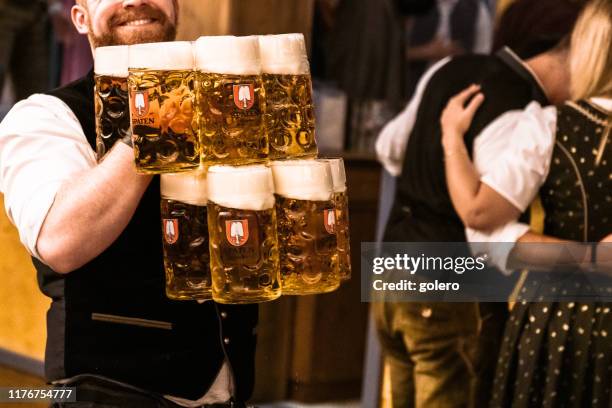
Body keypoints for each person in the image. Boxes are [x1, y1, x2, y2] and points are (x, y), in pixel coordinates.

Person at [0, 1, 256, 407]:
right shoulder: (44, 117)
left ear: (175, 9)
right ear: (80, 17)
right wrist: (157, 116)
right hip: (109, 395)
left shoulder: (219, 111)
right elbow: (60, 241)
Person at [373, 1, 583, 406]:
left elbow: (389, 147)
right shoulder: (521, 107)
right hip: (448, 289)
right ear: (570, 49)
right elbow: (486, 225)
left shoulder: (449, 69)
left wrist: (439, 159)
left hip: (391, 271)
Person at [439, 0, 612, 405]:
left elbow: (484, 226)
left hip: (562, 320)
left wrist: (589, 257)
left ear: (587, 48)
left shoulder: (549, 124)